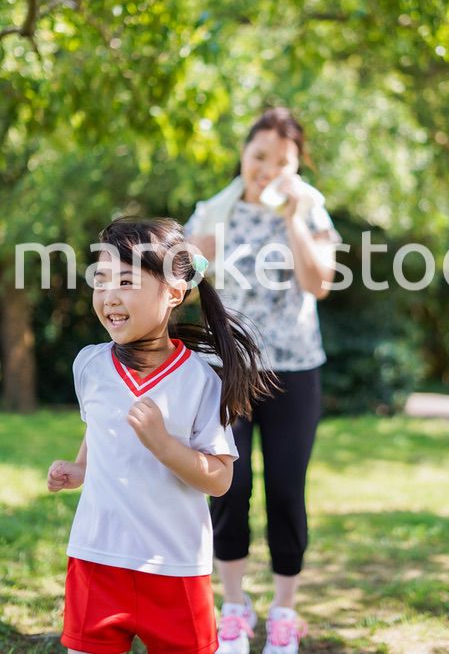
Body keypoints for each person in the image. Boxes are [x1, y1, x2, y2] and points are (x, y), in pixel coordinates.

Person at [47, 217, 272, 654]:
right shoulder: (89, 365)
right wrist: (80, 468)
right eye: (103, 280)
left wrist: (165, 446)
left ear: (172, 293)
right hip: (97, 556)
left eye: (126, 280)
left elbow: (220, 478)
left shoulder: (200, 381)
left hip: (174, 565)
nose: (110, 294)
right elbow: (101, 427)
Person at [185, 107, 340, 654]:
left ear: (296, 166)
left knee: (285, 489)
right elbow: (180, 289)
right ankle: (233, 608)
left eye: (282, 162)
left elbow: (319, 282)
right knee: (230, 486)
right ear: (243, 154)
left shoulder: (312, 206)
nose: (267, 170)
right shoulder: (212, 210)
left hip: (294, 371)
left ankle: (284, 612)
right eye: (259, 158)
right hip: (226, 370)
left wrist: (294, 218)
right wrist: (192, 265)